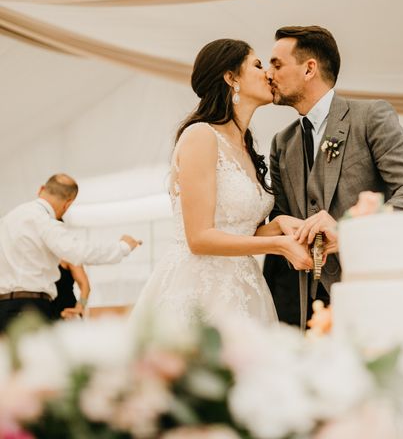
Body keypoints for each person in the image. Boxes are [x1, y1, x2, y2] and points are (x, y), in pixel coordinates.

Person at [130, 39, 312, 329]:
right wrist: (278, 245)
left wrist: (280, 225)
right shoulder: (201, 136)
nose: (268, 73)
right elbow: (200, 238)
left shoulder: (246, 146)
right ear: (230, 77)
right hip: (200, 289)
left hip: (244, 288)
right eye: (257, 65)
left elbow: (238, 230)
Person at [264, 26, 403, 328]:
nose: (268, 73)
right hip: (311, 306)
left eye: (277, 64)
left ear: (309, 69)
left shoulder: (370, 117)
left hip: (374, 289)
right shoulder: (282, 143)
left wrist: (350, 230)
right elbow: (280, 216)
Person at [0, 174, 141, 333]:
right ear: (68, 204)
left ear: (41, 189)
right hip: (30, 309)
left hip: (3, 308)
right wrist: (122, 247)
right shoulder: (45, 222)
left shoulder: (7, 219)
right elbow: (79, 251)